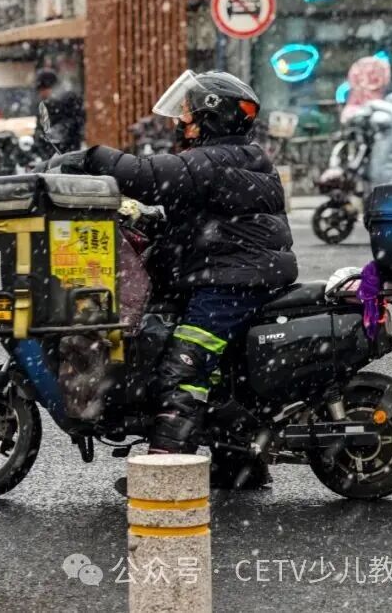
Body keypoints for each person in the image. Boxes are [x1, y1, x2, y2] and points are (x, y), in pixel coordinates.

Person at [50, 71, 297, 461]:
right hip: (233, 274)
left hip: (232, 282)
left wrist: (90, 158)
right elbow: (203, 213)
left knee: (183, 369)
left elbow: (146, 176)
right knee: (220, 374)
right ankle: (238, 466)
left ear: (213, 116)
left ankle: (166, 468)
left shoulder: (216, 159)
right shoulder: (237, 156)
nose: (182, 121)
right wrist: (154, 221)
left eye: (188, 113)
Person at [34, 68, 85, 158]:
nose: (42, 93)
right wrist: (38, 136)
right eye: (40, 90)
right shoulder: (44, 105)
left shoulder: (69, 100)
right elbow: (40, 126)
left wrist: (61, 129)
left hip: (68, 152)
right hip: (49, 154)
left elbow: (77, 121)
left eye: (44, 89)